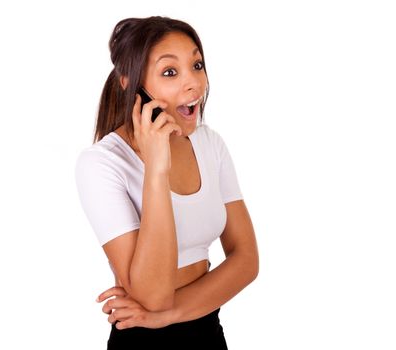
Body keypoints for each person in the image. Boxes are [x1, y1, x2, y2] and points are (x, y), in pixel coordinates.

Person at [75, 16, 259, 349]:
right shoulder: (102, 163)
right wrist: (157, 168)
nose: (194, 84)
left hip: (208, 333)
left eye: (197, 65)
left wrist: (168, 315)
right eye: (170, 72)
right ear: (130, 83)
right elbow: (151, 296)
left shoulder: (210, 144)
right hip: (141, 343)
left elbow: (246, 260)